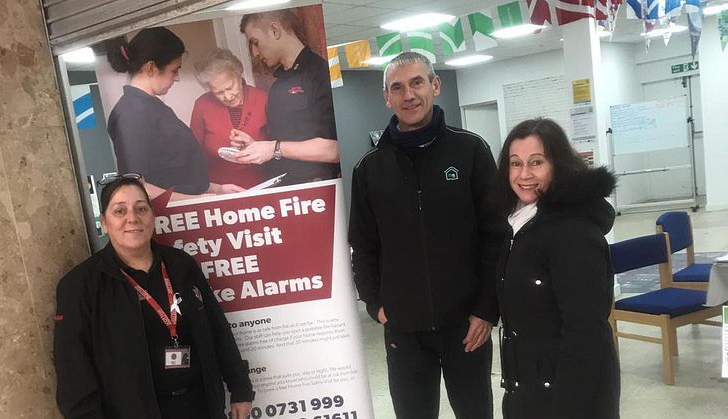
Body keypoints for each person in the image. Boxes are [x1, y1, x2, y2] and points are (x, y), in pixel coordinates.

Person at [348, 52, 502, 419]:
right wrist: (376, 305)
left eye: (417, 82)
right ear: (386, 97)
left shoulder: (470, 151)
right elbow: (363, 244)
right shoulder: (370, 168)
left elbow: (496, 236)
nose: (408, 95)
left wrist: (485, 309)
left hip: (467, 326)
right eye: (397, 88)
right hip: (404, 329)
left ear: (435, 85)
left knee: (475, 412)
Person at [54, 174, 254, 419]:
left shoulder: (181, 265)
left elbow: (217, 328)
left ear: (152, 216)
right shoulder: (80, 285)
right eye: (119, 211)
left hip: (201, 407)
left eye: (141, 208)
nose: (132, 218)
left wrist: (240, 388)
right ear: (104, 222)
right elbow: (73, 372)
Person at [492, 118, 620, 419]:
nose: (524, 174)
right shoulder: (520, 224)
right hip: (529, 388)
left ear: (558, 165)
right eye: (515, 163)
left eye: (536, 162)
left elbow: (585, 333)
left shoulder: (573, 233)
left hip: (569, 397)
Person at [106, 27, 243, 200]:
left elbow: (175, 175)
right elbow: (136, 187)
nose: (177, 78)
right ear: (151, 67)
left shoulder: (152, 107)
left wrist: (217, 190)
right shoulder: (132, 113)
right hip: (171, 217)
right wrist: (199, 201)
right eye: (174, 70)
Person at [236, 9, 339, 186]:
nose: (254, 53)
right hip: (286, 190)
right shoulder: (277, 86)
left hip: (318, 191)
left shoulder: (321, 74)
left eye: (255, 42)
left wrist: (273, 148)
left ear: (275, 30)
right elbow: (282, 145)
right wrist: (258, 148)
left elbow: (335, 150)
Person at [191, 48, 270, 188]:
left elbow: (278, 148)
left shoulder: (263, 99)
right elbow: (193, 153)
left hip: (261, 186)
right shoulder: (202, 105)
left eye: (230, 87)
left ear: (239, 76)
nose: (227, 97)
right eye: (218, 92)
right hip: (219, 190)